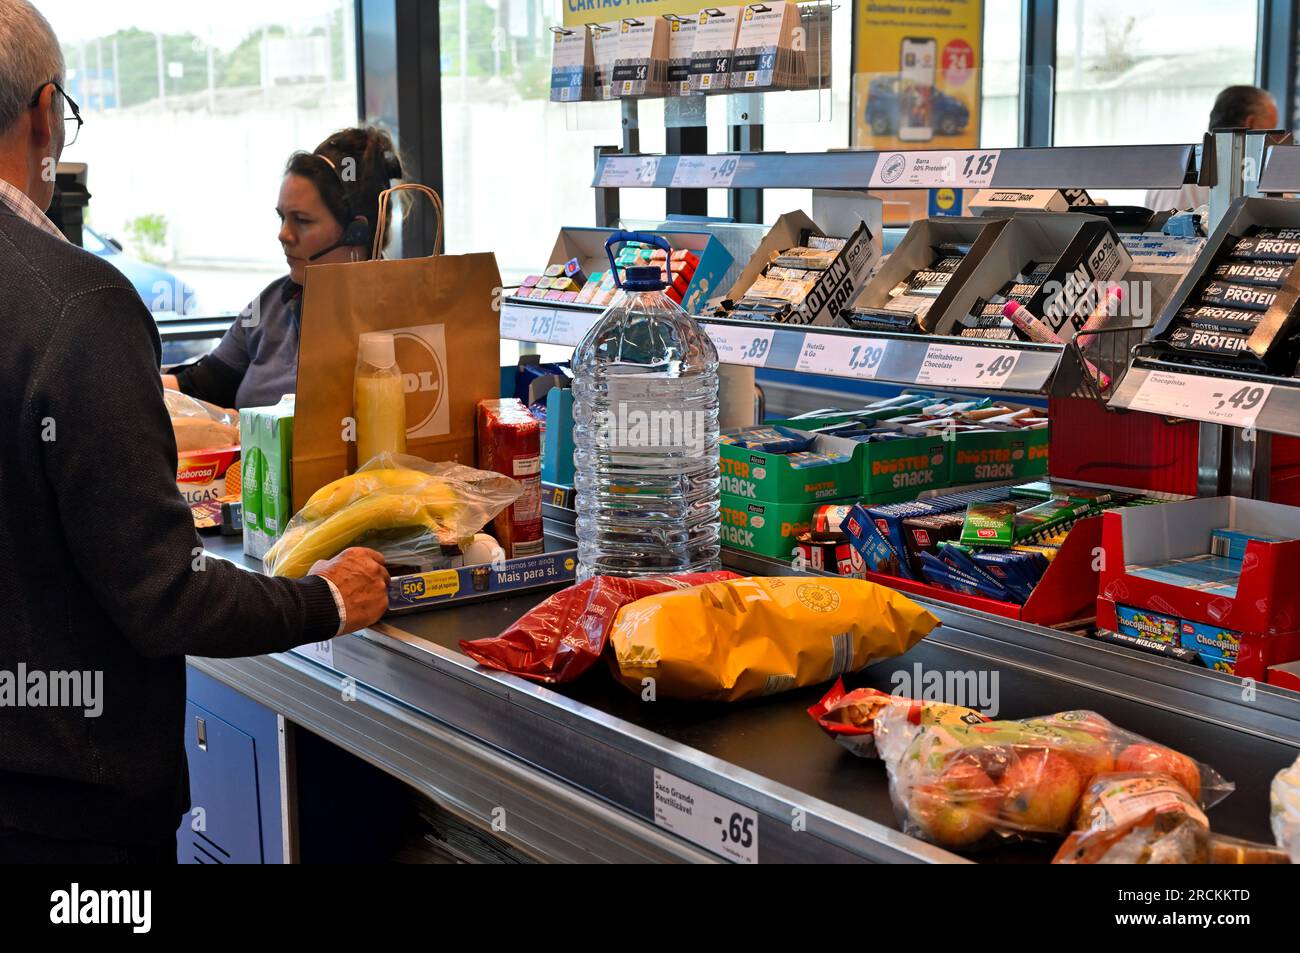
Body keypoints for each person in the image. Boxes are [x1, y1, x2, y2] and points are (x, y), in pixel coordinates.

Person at [0, 0, 390, 863]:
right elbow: (163, 594)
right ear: (46, 112)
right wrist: (325, 598)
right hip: (65, 812)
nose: (285, 238)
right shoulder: (79, 307)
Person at [161, 128, 406, 409]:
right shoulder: (271, 306)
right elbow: (201, 385)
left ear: (356, 232)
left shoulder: (408, 312)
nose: (284, 235)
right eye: (282, 218)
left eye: (301, 220)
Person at [1145, 85, 1281, 212]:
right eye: (1272, 129)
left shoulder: (1169, 170)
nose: (1275, 139)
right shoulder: (1251, 172)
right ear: (1250, 123)